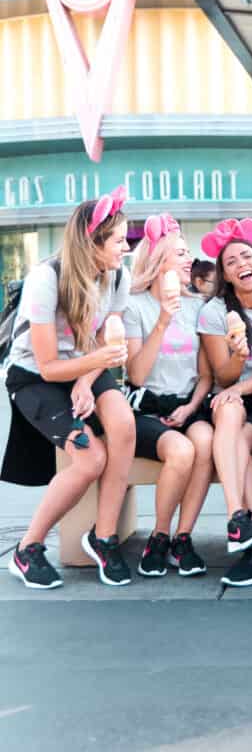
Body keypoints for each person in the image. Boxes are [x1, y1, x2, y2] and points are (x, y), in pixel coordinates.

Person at [1, 187, 136, 588]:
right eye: (118, 240)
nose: (126, 248)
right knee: (90, 459)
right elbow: (47, 365)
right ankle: (28, 549)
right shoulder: (46, 278)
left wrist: (87, 378)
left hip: (86, 365)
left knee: (123, 425)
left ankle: (105, 536)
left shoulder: (118, 276)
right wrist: (97, 363)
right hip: (35, 377)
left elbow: (99, 340)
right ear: (91, 243)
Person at [197, 218, 252, 587]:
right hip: (232, 399)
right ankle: (241, 519)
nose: (240, 264)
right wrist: (237, 355)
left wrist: (240, 390)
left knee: (236, 427)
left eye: (245, 256)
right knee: (229, 412)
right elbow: (224, 378)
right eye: (230, 262)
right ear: (225, 275)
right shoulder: (214, 312)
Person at [124, 214, 213, 577]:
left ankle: (183, 538)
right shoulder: (134, 306)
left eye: (188, 252)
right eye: (180, 252)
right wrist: (162, 321)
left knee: (204, 442)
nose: (189, 259)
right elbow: (136, 374)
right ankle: (159, 536)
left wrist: (191, 406)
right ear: (158, 259)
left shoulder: (199, 307)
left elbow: (206, 375)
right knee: (181, 450)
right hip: (146, 408)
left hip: (189, 404)